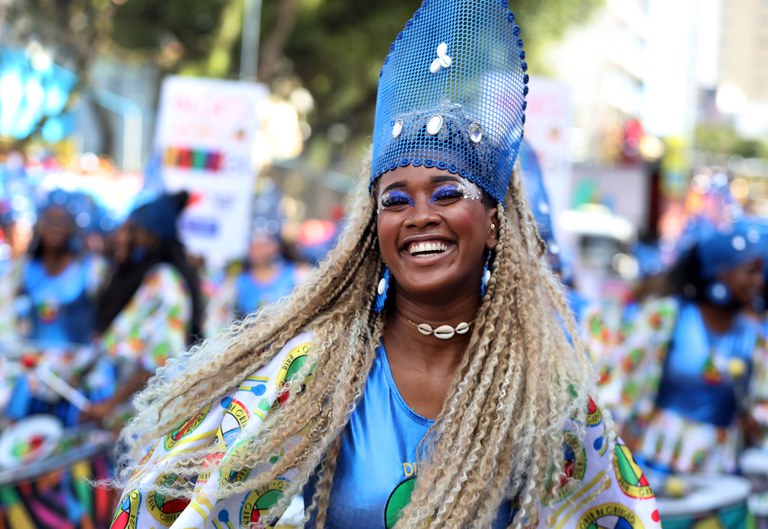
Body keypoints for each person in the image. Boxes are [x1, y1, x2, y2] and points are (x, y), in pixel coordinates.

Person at [111, 3, 660, 529]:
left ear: (494, 223)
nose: (420, 216)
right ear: (374, 228)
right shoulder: (320, 370)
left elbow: (617, 515)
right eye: (396, 200)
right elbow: (168, 504)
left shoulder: (540, 390)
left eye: (448, 193)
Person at [594, 219, 768, 474]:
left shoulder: (753, 335)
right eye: (750, 271)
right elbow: (623, 382)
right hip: (654, 461)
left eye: (761, 273)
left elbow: (761, 400)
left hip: (720, 472)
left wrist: (756, 420)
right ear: (719, 269)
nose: (759, 281)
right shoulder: (666, 316)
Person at [84, 191, 203, 425]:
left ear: (152, 237)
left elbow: (160, 360)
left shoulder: (166, 282)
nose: (120, 236)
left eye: (130, 230)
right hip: (115, 418)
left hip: (137, 424)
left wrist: (109, 405)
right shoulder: (140, 277)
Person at [19, 202, 105, 345]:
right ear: (39, 226)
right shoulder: (24, 268)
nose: (56, 227)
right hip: (33, 358)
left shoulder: (91, 268)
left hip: (77, 359)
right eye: (49, 221)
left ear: (72, 227)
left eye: (62, 221)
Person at [205, 227, 308, 336]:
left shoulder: (299, 274)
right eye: (253, 243)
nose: (258, 249)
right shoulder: (235, 280)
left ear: (276, 246)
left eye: (263, 243)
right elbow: (218, 317)